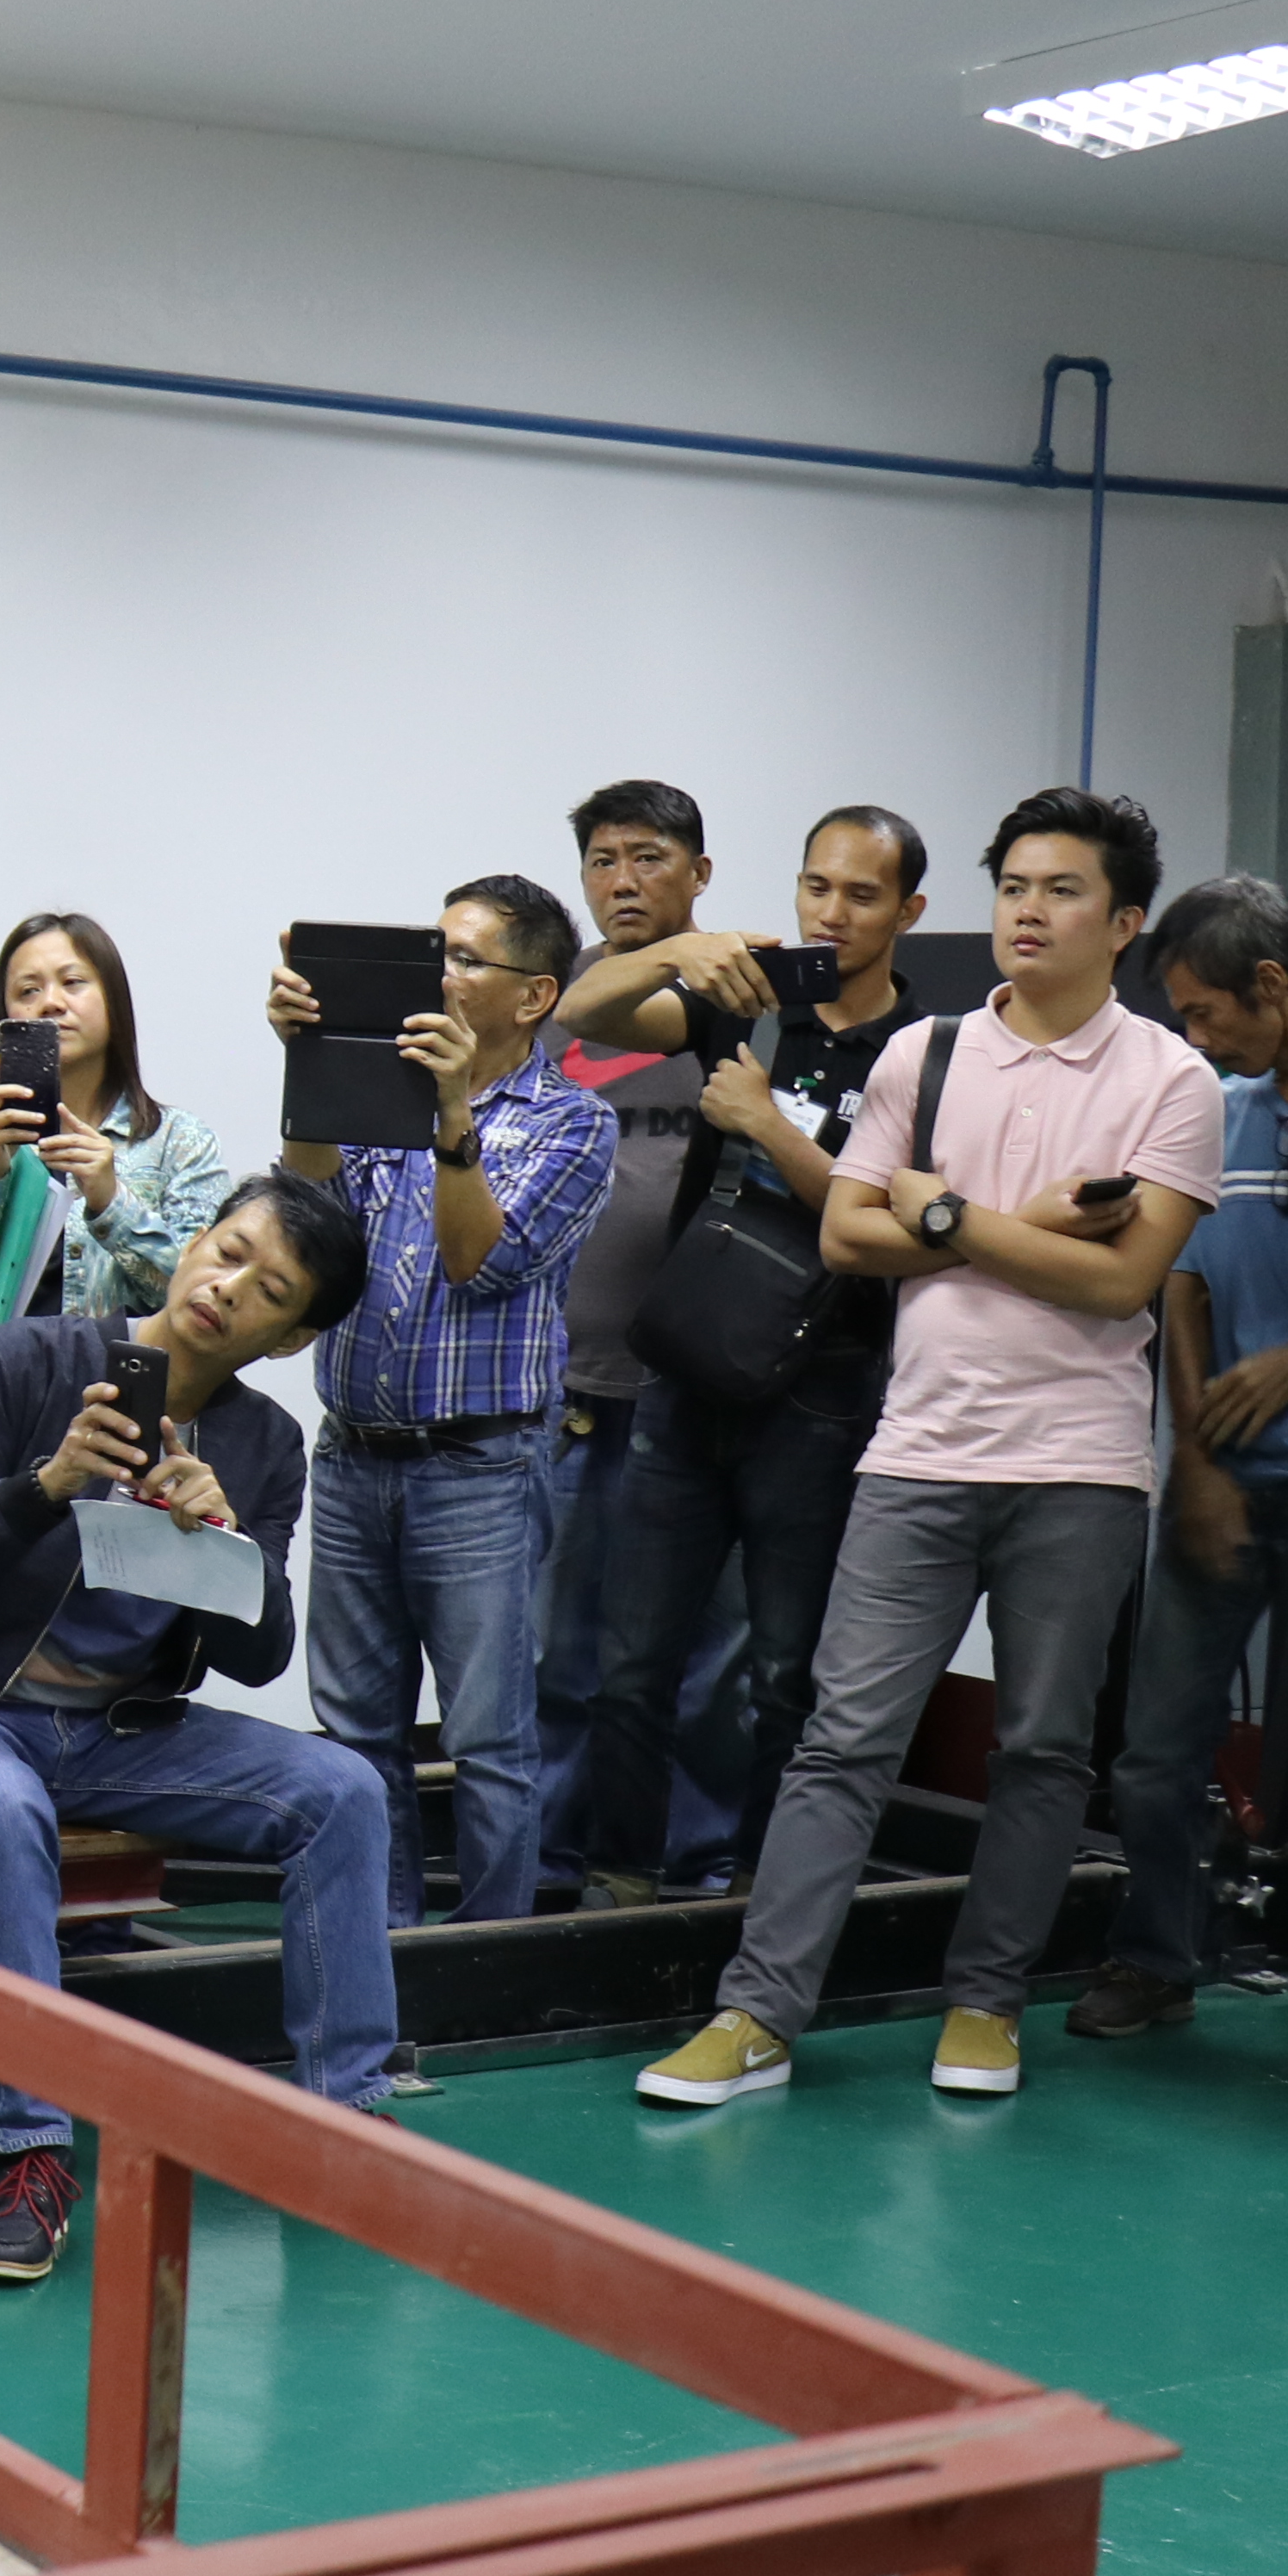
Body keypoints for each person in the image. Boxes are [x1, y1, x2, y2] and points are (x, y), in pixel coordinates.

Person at [640, 789, 1217, 2106]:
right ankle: (758, 2016)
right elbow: (847, 1240)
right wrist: (1032, 1228)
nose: (1027, 908)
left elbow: (1123, 1288)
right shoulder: (928, 1058)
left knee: (1044, 1747)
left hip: (1079, 1464)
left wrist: (948, 1211)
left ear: (1122, 922)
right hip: (915, 1451)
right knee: (842, 1740)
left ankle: (987, 2003)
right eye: (1013, 884)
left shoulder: (1170, 1081)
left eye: (1062, 890)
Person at [0, 1171, 392, 2283]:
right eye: (229, 1251)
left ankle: (350, 2130)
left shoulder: (264, 1447)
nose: (228, 1288)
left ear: (290, 1338)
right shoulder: (28, 1361)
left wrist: (224, 1553)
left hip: (121, 1734)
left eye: (269, 1289)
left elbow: (263, 1654)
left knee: (347, 1792)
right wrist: (44, 1487)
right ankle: (33, 2156)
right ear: (193, 1239)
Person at [553, 808, 944, 1903]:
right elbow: (579, 1011)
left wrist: (770, 1128)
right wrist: (676, 949)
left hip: (824, 1388)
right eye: (817, 887)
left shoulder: (930, 1055)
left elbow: (896, 1231)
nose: (832, 913)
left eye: (862, 895)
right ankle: (618, 1884)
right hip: (687, 1369)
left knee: (786, 1672)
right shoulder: (747, 1000)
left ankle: (767, 1894)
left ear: (910, 911)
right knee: (631, 1662)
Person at [1070, 878, 1288, 2071]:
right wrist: (1201, 1462)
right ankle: (1157, 1959)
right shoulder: (1213, 1114)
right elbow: (1182, 1284)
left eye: (1207, 1013)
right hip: (1225, 1471)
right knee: (1157, 1747)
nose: (1195, 1039)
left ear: (1273, 986)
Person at [269, 876, 616, 1932]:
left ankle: (491, 1962)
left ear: (532, 993)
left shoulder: (575, 1123)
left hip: (480, 1467)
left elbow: (480, 1260)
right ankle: (382, 1946)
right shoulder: (381, 1093)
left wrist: (454, 1115)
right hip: (354, 1457)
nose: (442, 977)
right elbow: (307, 1222)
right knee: (356, 1731)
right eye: (438, 955)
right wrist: (312, 1065)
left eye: (468, 960)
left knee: (490, 1741)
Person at [534, 780, 747, 1900]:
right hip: (563, 1387)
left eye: (650, 857)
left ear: (699, 873)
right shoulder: (554, 1002)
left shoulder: (739, 998)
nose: (624, 880)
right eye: (604, 861)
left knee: (707, 1658)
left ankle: (699, 1863)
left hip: (699, 1385)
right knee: (560, 1656)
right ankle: (553, 1869)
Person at [0, 910, 236, 1493]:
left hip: (109, 1418)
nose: (51, 1003)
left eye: (73, 982)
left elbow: (197, 1299)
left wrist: (112, 1202)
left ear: (113, 1001)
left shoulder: (178, 1143)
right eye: (28, 990)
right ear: (5, 1017)